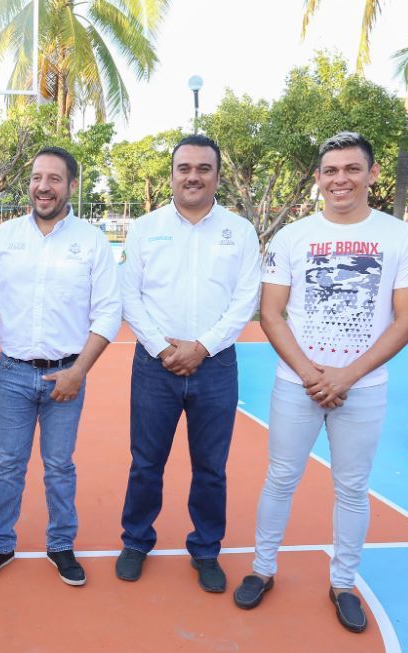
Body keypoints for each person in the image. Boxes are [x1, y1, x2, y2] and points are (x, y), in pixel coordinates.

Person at [234, 131, 408, 632]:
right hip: (296, 385)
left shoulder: (403, 238)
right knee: (281, 478)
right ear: (319, 179)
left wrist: (347, 375)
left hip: (362, 388)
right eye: (331, 171)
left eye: (351, 169)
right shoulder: (292, 237)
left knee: (352, 488)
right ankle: (262, 568)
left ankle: (343, 583)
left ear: (372, 174)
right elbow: (271, 313)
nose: (340, 179)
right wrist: (309, 373)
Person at [0, 147, 123, 587]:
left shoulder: (91, 241)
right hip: (13, 372)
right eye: (37, 177)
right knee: (8, 464)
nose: (43, 186)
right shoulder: (6, 237)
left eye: (54, 178)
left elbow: (108, 311)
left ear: (71, 185)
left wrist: (79, 372)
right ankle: (0, 543)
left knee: (59, 466)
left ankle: (60, 544)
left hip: (66, 374)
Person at [117, 134, 261, 593]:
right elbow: (129, 296)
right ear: (172, 175)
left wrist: (203, 346)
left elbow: (246, 299)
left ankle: (206, 549)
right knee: (146, 463)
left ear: (217, 176)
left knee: (211, 467)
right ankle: (136, 541)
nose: (193, 176)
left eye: (203, 168)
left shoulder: (239, 231)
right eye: (185, 168)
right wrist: (163, 348)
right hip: (154, 365)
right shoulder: (146, 228)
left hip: (215, 366)